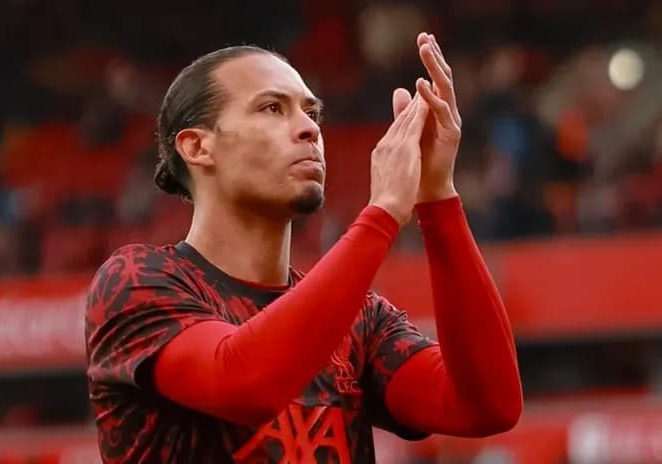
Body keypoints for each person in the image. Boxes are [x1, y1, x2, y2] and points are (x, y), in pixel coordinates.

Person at [85, 32, 522, 463]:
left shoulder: (360, 320)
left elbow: (488, 406)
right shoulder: (136, 281)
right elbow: (246, 384)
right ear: (198, 146)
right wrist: (383, 211)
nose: (310, 127)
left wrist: (437, 198)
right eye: (273, 108)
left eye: (312, 112)